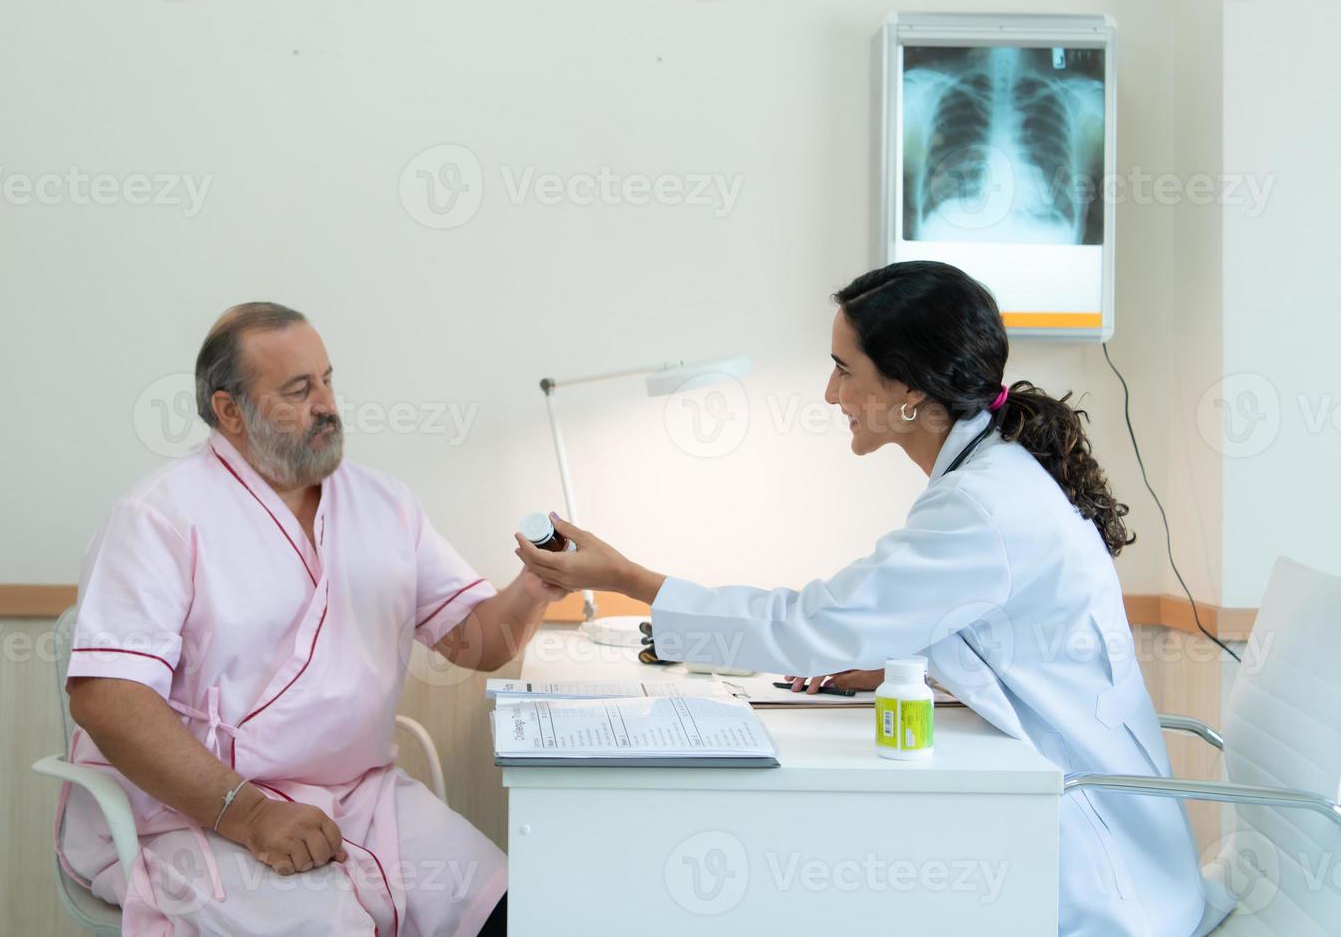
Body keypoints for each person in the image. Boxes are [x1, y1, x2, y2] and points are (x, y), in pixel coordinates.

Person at [515, 261, 1220, 936]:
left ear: (909, 388)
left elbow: (811, 625)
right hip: (1085, 819)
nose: (830, 395)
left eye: (844, 370)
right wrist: (907, 664)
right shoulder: (994, 474)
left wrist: (625, 579)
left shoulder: (982, 505)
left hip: (1096, 877)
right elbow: (1009, 637)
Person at [59, 302, 560, 936]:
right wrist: (250, 816)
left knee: (517, 913)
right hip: (197, 812)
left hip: (362, 797)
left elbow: (476, 641)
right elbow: (108, 699)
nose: (327, 404)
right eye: (299, 390)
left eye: (327, 380)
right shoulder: (159, 515)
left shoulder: (384, 505)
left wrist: (538, 585)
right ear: (229, 411)